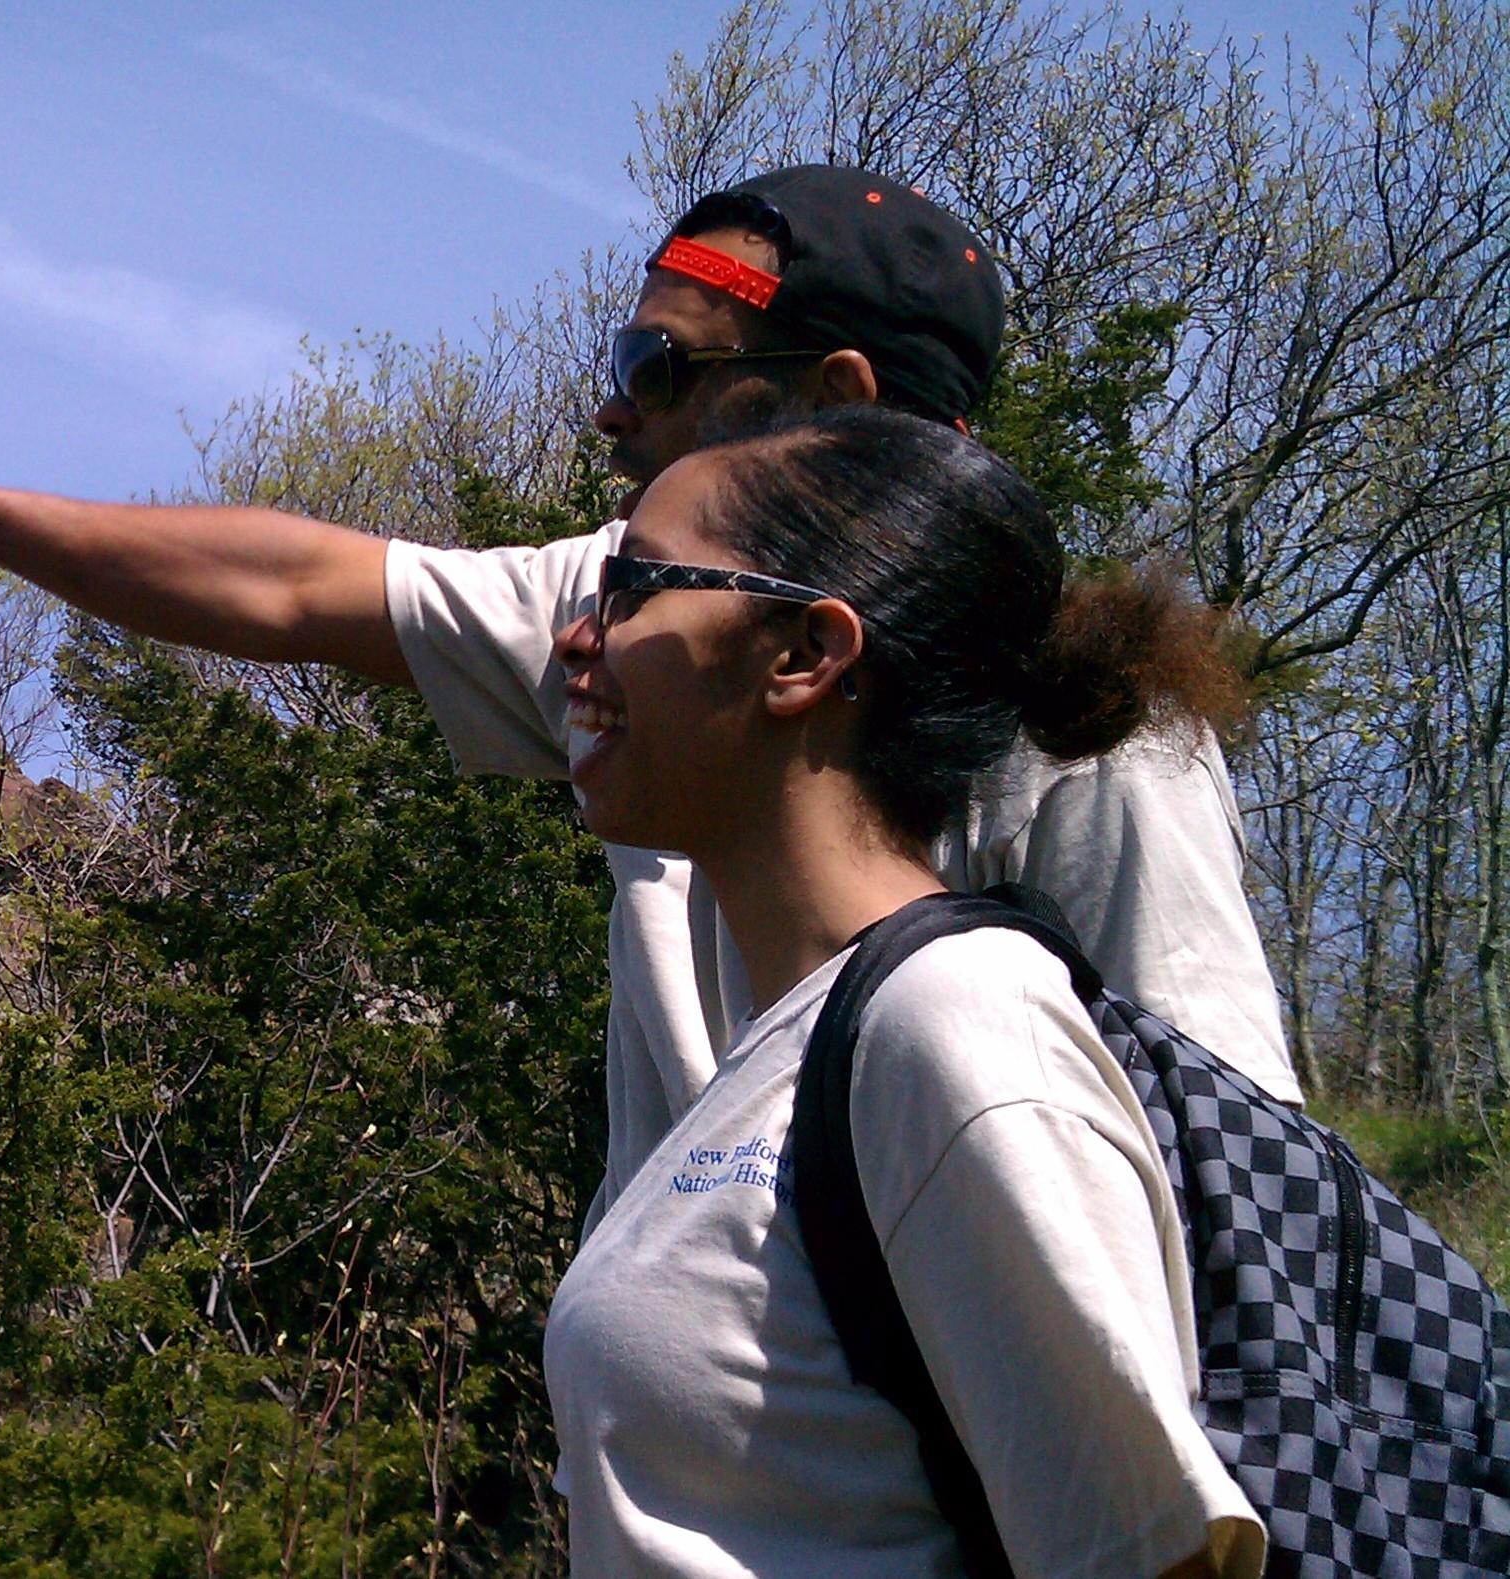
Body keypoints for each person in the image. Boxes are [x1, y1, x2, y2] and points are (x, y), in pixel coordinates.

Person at [0, 165, 1297, 1212]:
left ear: (831, 401)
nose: (606, 416)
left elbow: (1237, 1164)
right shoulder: (630, 612)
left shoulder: (1081, 728)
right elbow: (294, 585)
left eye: (653, 369)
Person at [537, 405, 1260, 1576]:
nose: (578, 637)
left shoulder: (957, 1027)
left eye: (631, 587)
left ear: (802, 656)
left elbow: (1149, 1559)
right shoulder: (788, 1052)